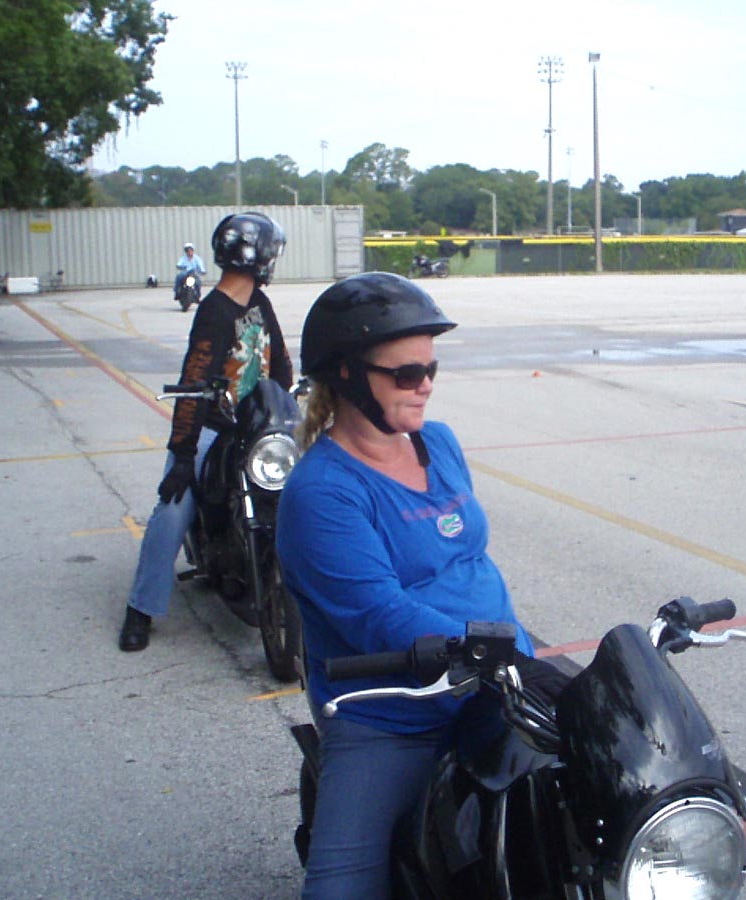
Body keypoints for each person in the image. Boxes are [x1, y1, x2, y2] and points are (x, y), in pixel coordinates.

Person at [276, 272, 568, 899]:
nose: (426, 385)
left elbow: (466, 558)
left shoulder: (437, 442)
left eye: (431, 369)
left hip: (496, 685)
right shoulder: (322, 492)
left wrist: (512, 661)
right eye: (407, 374)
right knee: (340, 890)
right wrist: (491, 654)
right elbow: (379, 614)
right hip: (394, 714)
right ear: (348, 377)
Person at [119, 212, 292, 652]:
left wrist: (290, 411)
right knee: (174, 508)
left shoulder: (259, 303)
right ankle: (141, 608)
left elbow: (280, 366)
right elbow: (193, 383)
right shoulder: (215, 312)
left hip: (257, 428)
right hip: (215, 430)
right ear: (258, 257)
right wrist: (182, 454)